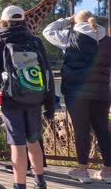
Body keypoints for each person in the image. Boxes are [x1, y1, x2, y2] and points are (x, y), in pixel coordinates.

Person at [0, 6, 55, 189]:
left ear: (3, 21)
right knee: (34, 141)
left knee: (17, 144)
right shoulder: (35, 41)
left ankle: (19, 185)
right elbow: (47, 73)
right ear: (23, 20)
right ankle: (40, 182)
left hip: (11, 99)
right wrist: (49, 103)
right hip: (35, 98)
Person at [43, 10, 111, 183]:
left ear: (76, 22)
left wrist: (67, 20)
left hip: (77, 92)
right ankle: (108, 171)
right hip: (102, 92)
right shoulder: (106, 40)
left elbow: (48, 31)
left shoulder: (70, 36)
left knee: (82, 131)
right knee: (103, 129)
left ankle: (82, 170)